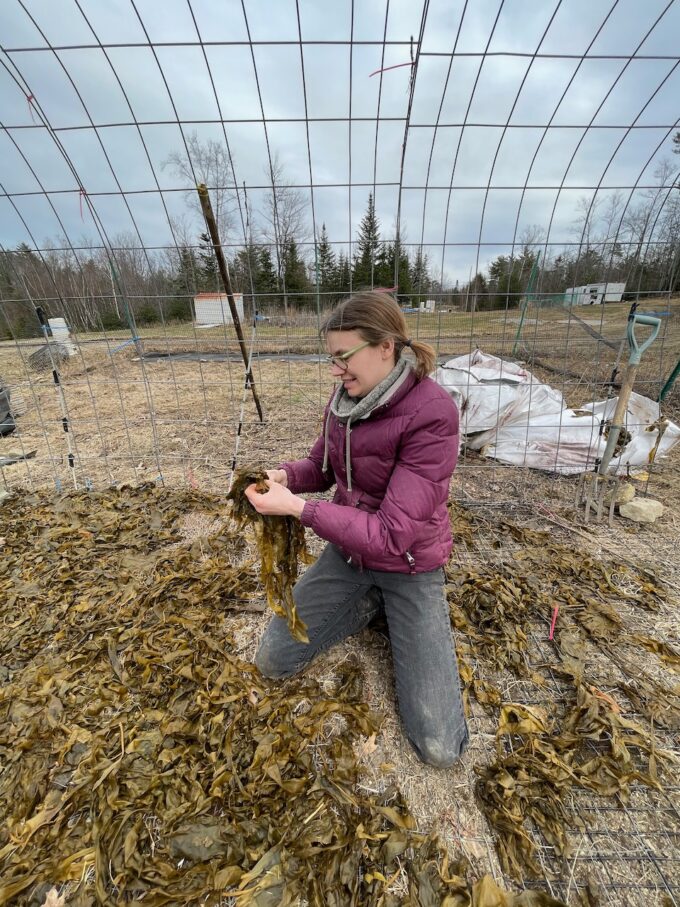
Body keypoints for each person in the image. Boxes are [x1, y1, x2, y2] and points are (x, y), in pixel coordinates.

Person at [244, 290, 468, 768]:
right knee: (273, 661)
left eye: (344, 357)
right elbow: (321, 467)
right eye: (331, 358)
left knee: (439, 748)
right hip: (349, 556)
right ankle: (367, 602)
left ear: (386, 346)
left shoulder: (433, 413)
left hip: (409, 565)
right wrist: (285, 476)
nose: (335, 370)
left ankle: (393, 603)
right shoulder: (345, 398)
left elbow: (392, 534)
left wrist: (299, 510)